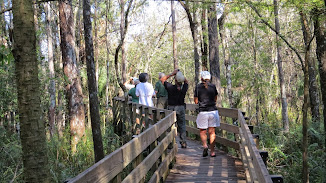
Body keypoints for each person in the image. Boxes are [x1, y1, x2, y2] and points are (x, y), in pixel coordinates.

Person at [194, 71, 220, 157]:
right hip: (213, 111)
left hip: (203, 112)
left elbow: (196, 101)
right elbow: (215, 98)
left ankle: (205, 146)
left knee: (203, 131)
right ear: (209, 78)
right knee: (212, 132)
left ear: (201, 78)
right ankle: (212, 152)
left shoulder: (198, 87)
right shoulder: (213, 86)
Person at [160, 69, 188, 148]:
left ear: (175, 80)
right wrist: (181, 75)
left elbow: (162, 79)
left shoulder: (170, 87)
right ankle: (183, 142)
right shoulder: (184, 88)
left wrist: (172, 74)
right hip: (181, 107)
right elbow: (186, 82)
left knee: (170, 125)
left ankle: (170, 143)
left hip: (171, 108)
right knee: (182, 125)